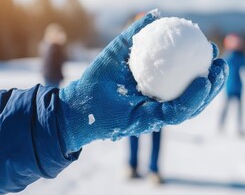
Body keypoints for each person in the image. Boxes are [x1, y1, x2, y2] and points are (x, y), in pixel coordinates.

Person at [0, 10, 228, 194]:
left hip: (162, 97)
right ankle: (132, 165)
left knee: (154, 127)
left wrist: (65, 117)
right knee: (134, 129)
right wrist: (71, 114)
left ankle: (153, 168)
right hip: (139, 92)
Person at [126, 13, 162, 184]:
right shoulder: (129, 47)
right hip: (135, 100)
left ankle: (153, 169)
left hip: (156, 97)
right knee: (134, 134)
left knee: (155, 134)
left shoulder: (159, 45)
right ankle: (132, 166)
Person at [219, 33, 245, 136]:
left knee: (238, 109)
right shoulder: (228, 57)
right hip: (230, 86)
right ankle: (221, 125)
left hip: (237, 87)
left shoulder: (239, 57)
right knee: (226, 107)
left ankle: (239, 128)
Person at [40, 23, 67, 87]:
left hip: (48, 75)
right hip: (53, 77)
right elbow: (55, 63)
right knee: (52, 94)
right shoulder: (55, 47)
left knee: (48, 93)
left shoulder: (46, 45)